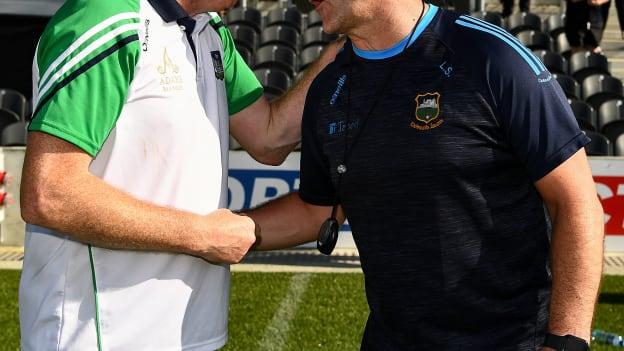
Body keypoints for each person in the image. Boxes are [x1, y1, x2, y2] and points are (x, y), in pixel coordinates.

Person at [248, 0, 605, 350]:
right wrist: (226, 231)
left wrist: (566, 341)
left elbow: (575, 201)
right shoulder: (328, 87)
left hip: (510, 339)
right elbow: (317, 211)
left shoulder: (489, 55)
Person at [18, 0, 340, 350]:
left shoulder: (210, 29)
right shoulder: (106, 16)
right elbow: (50, 193)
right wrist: (200, 234)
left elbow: (269, 137)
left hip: (191, 331)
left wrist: (345, 52)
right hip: (102, 336)